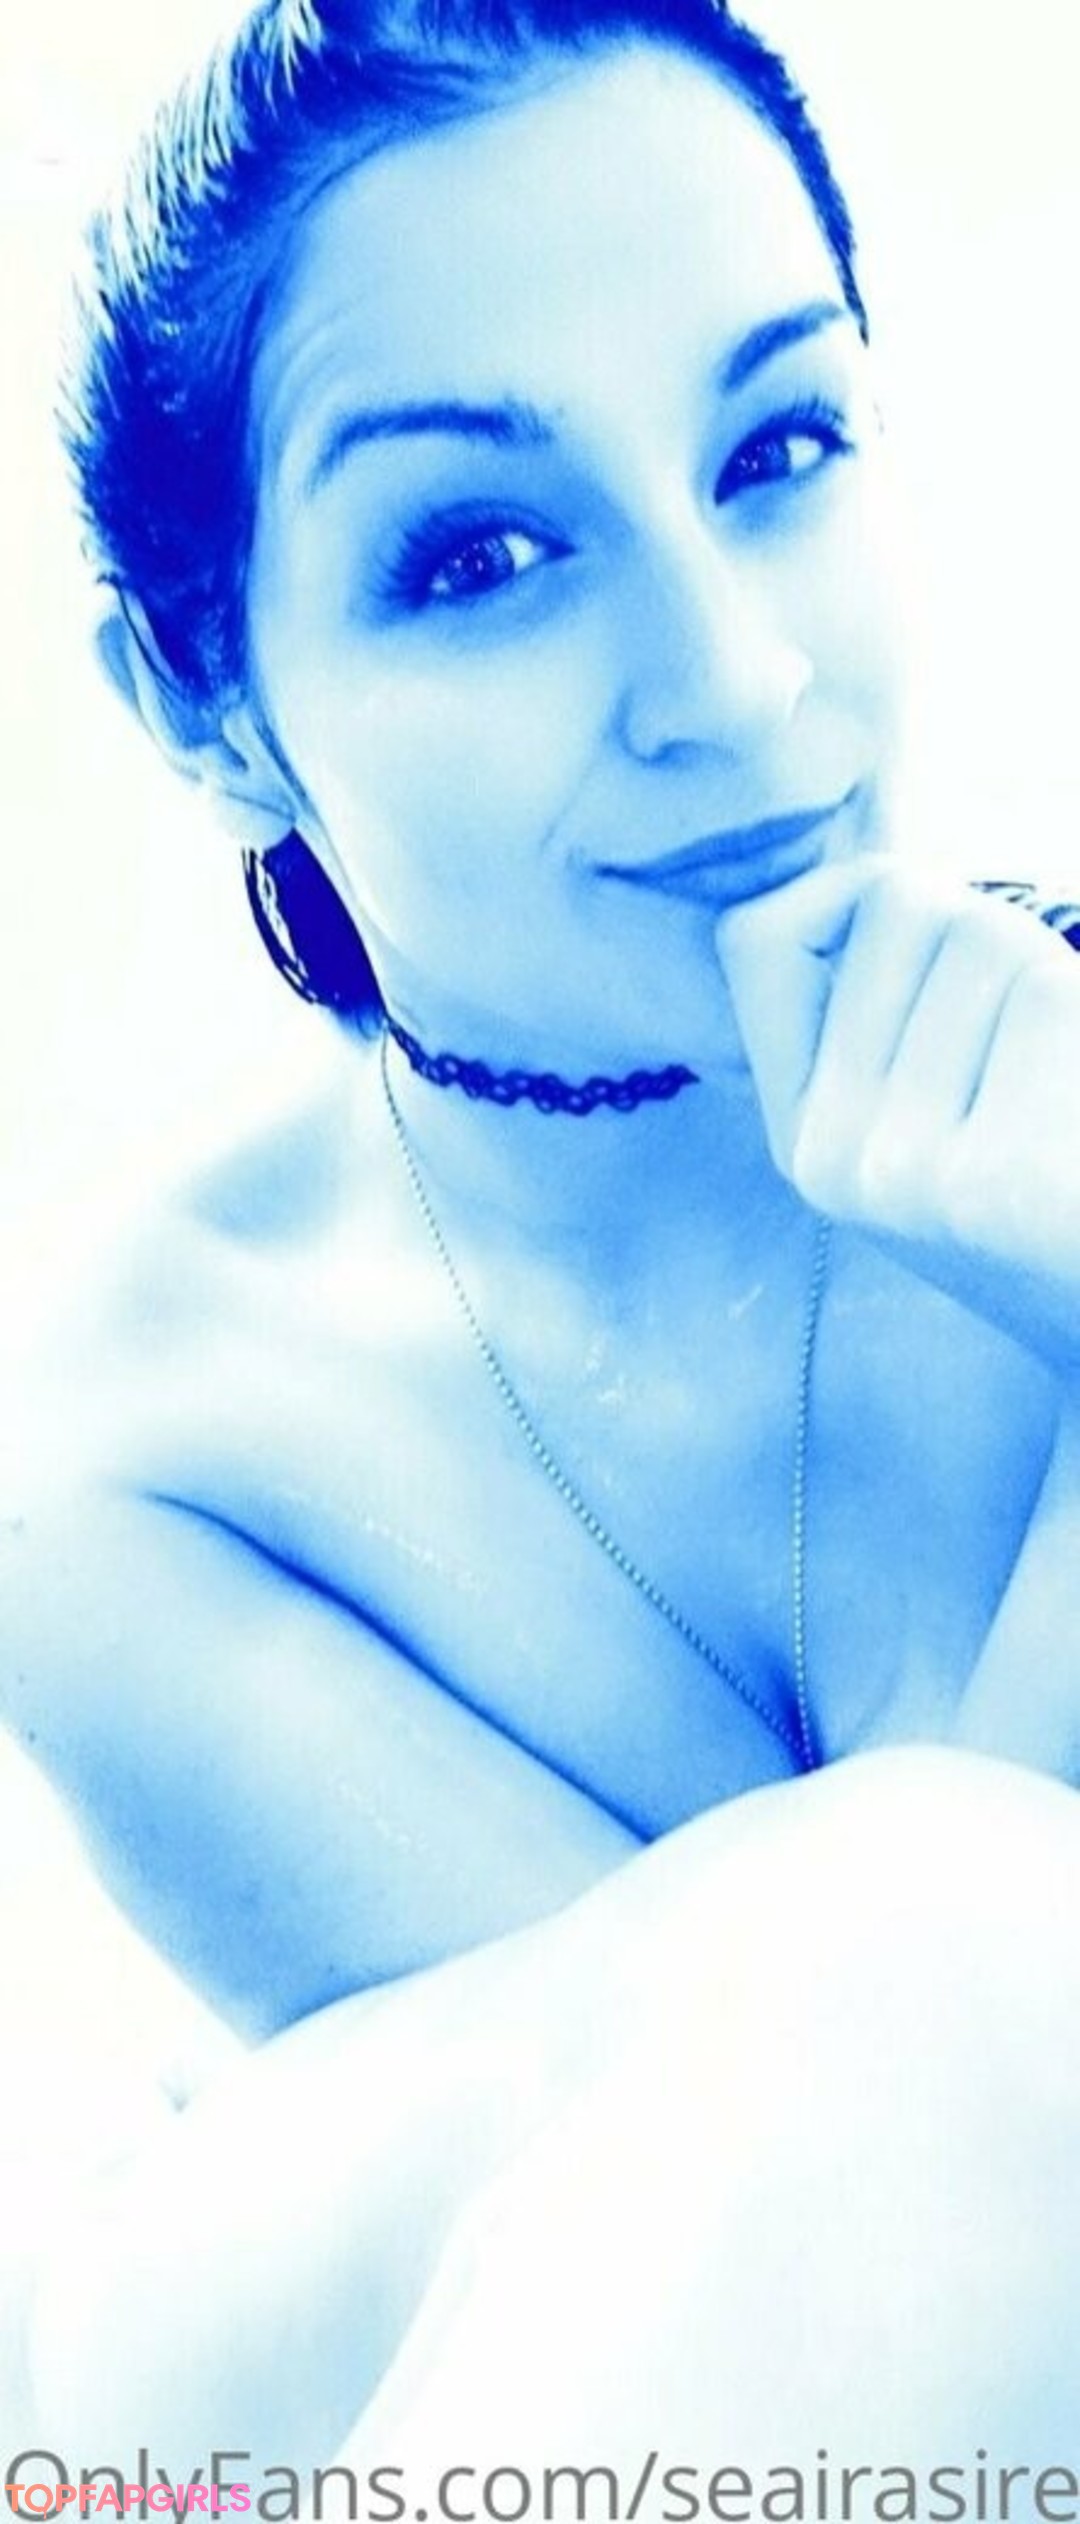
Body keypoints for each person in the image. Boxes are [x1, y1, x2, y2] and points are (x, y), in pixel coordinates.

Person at [5, 0, 1080, 2469]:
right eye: (482, 555)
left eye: (778, 447)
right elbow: (855, 2203)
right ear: (207, 705)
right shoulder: (138, 1461)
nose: (737, 678)